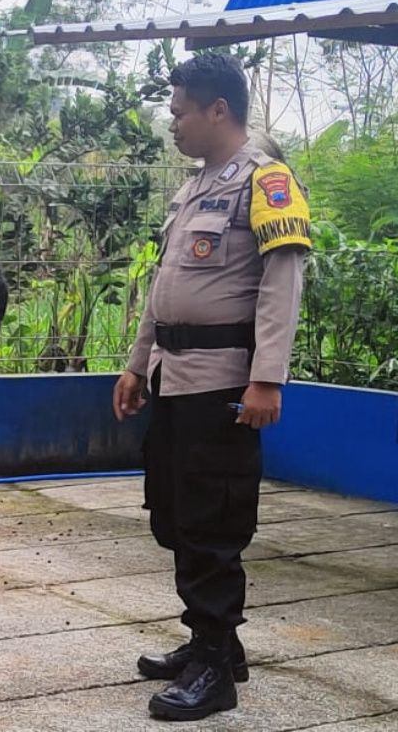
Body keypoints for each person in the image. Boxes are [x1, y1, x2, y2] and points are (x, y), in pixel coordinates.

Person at [112, 53, 311, 722]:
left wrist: (266, 381)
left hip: (224, 384)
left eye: (179, 112)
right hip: (175, 379)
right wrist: (138, 364)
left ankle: (214, 669)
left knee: (211, 523)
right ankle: (213, 644)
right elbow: (164, 290)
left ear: (216, 110)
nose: (173, 124)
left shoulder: (267, 181)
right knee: (174, 514)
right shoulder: (195, 187)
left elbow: (283, 286)